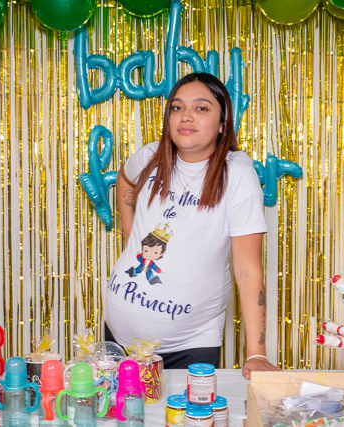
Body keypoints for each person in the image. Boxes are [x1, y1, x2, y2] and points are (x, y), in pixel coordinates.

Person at [104, 72, 279, 379]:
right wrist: (130, 233)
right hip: (117, 339)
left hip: (187, 349)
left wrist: (257, 354)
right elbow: (126, 180)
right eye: (177, 107)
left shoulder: (236, 172)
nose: (186, 116)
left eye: (201, 108)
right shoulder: (150, 156)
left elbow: (248, 270)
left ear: (222, 123)